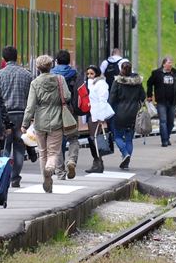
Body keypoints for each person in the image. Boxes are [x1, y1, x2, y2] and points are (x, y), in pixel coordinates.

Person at [21, 55, 71, 193]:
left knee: (42, 153)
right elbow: (67, 96)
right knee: (54, 152)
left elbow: (30, 106)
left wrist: (25, 124)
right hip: (57, 119)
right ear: (51, 66)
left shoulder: (35, 83)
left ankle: (46, 179)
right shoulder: (60, 79)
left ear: (37, 68)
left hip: (40, 121)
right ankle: (50, 167)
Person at [0, 45, 34, 187]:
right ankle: (15, 177)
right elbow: (31, 97)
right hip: (22, 115)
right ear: (17, 57)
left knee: (5, 147)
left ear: (3, 59)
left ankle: (4, 175)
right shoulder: (27, 75)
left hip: (5, 116)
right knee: (19, 147)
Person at [108, 58, 144, 170]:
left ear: (121, 69)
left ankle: (125, 153)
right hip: (133, 113)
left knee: (117, 136)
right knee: (129, 138)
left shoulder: (117, 81)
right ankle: (127, 160)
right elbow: (143, 96)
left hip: (120, 113)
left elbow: (111, 99)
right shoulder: (137, 82)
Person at [52, 49, 80, 180]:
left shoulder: (50, 75)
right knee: (73, 138)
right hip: (70, 111)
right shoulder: (74, 74)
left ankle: (60, 172)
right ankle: (72, 161)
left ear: (56, 61)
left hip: (54, 111)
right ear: (69, 61)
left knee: (57, 141)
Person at [146, 56, 176, 147]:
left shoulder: (175, 73)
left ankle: (167, 137)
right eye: (169, 63)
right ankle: (164, 140)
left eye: (171, 63)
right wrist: (149, 95)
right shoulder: (156, 73)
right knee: (163, 121)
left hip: (172, 101)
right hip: (161, 101)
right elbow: (149, 83)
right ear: (164, 64)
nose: (170, 64)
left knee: (171, 122)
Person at [84, 64, 114, 173]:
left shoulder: (101, 84)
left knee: (94, 138)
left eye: (91, 73)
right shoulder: (89, 83)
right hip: (91, 113)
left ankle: (98, 163)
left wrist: (101, 117)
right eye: (88, 74)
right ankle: (97, 163)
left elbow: (103, 100)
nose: (89, 76)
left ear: (96, 73)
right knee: (93, 138)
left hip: (96, 115)